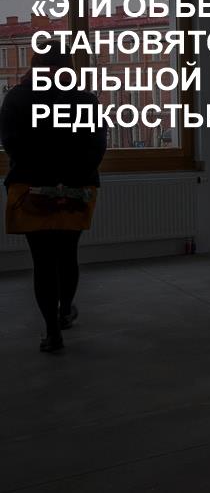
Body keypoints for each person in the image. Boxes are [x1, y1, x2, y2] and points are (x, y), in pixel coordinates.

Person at [1, 49, 107, 353]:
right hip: (76, 189)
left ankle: (52, 332)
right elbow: (97, 145)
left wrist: (41, 174)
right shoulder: (85, 100)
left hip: (30, 188)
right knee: (68, 254)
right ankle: (65, 312)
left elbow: (11, 144)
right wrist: (72, 176)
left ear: (35, 66)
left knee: (43, 262)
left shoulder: (16, 98)